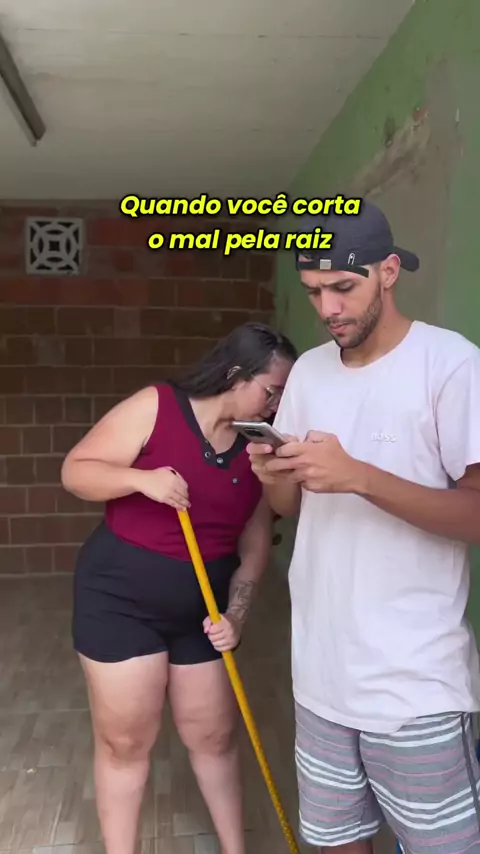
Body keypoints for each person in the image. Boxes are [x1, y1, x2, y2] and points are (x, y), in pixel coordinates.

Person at [246, 201, 480, 853]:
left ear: (388, 272)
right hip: (320, 677)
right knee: (335, 843)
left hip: (414, 686)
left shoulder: (450, 365)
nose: (327, 309)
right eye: (313, 291)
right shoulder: (311, 372)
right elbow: (293, 506)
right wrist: (273, 474)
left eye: (343, 287)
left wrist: (358, 476)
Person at [60, 321, 297, 854]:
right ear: (237, 375)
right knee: (126, 742)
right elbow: (76, 470)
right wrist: (141, 480)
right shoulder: (158, 406)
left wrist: (237, 616)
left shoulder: (259, 447)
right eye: (272, 391)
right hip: (119, 604)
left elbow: (255, 540)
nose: (277, 406)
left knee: (214, 736)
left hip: (203, 611)